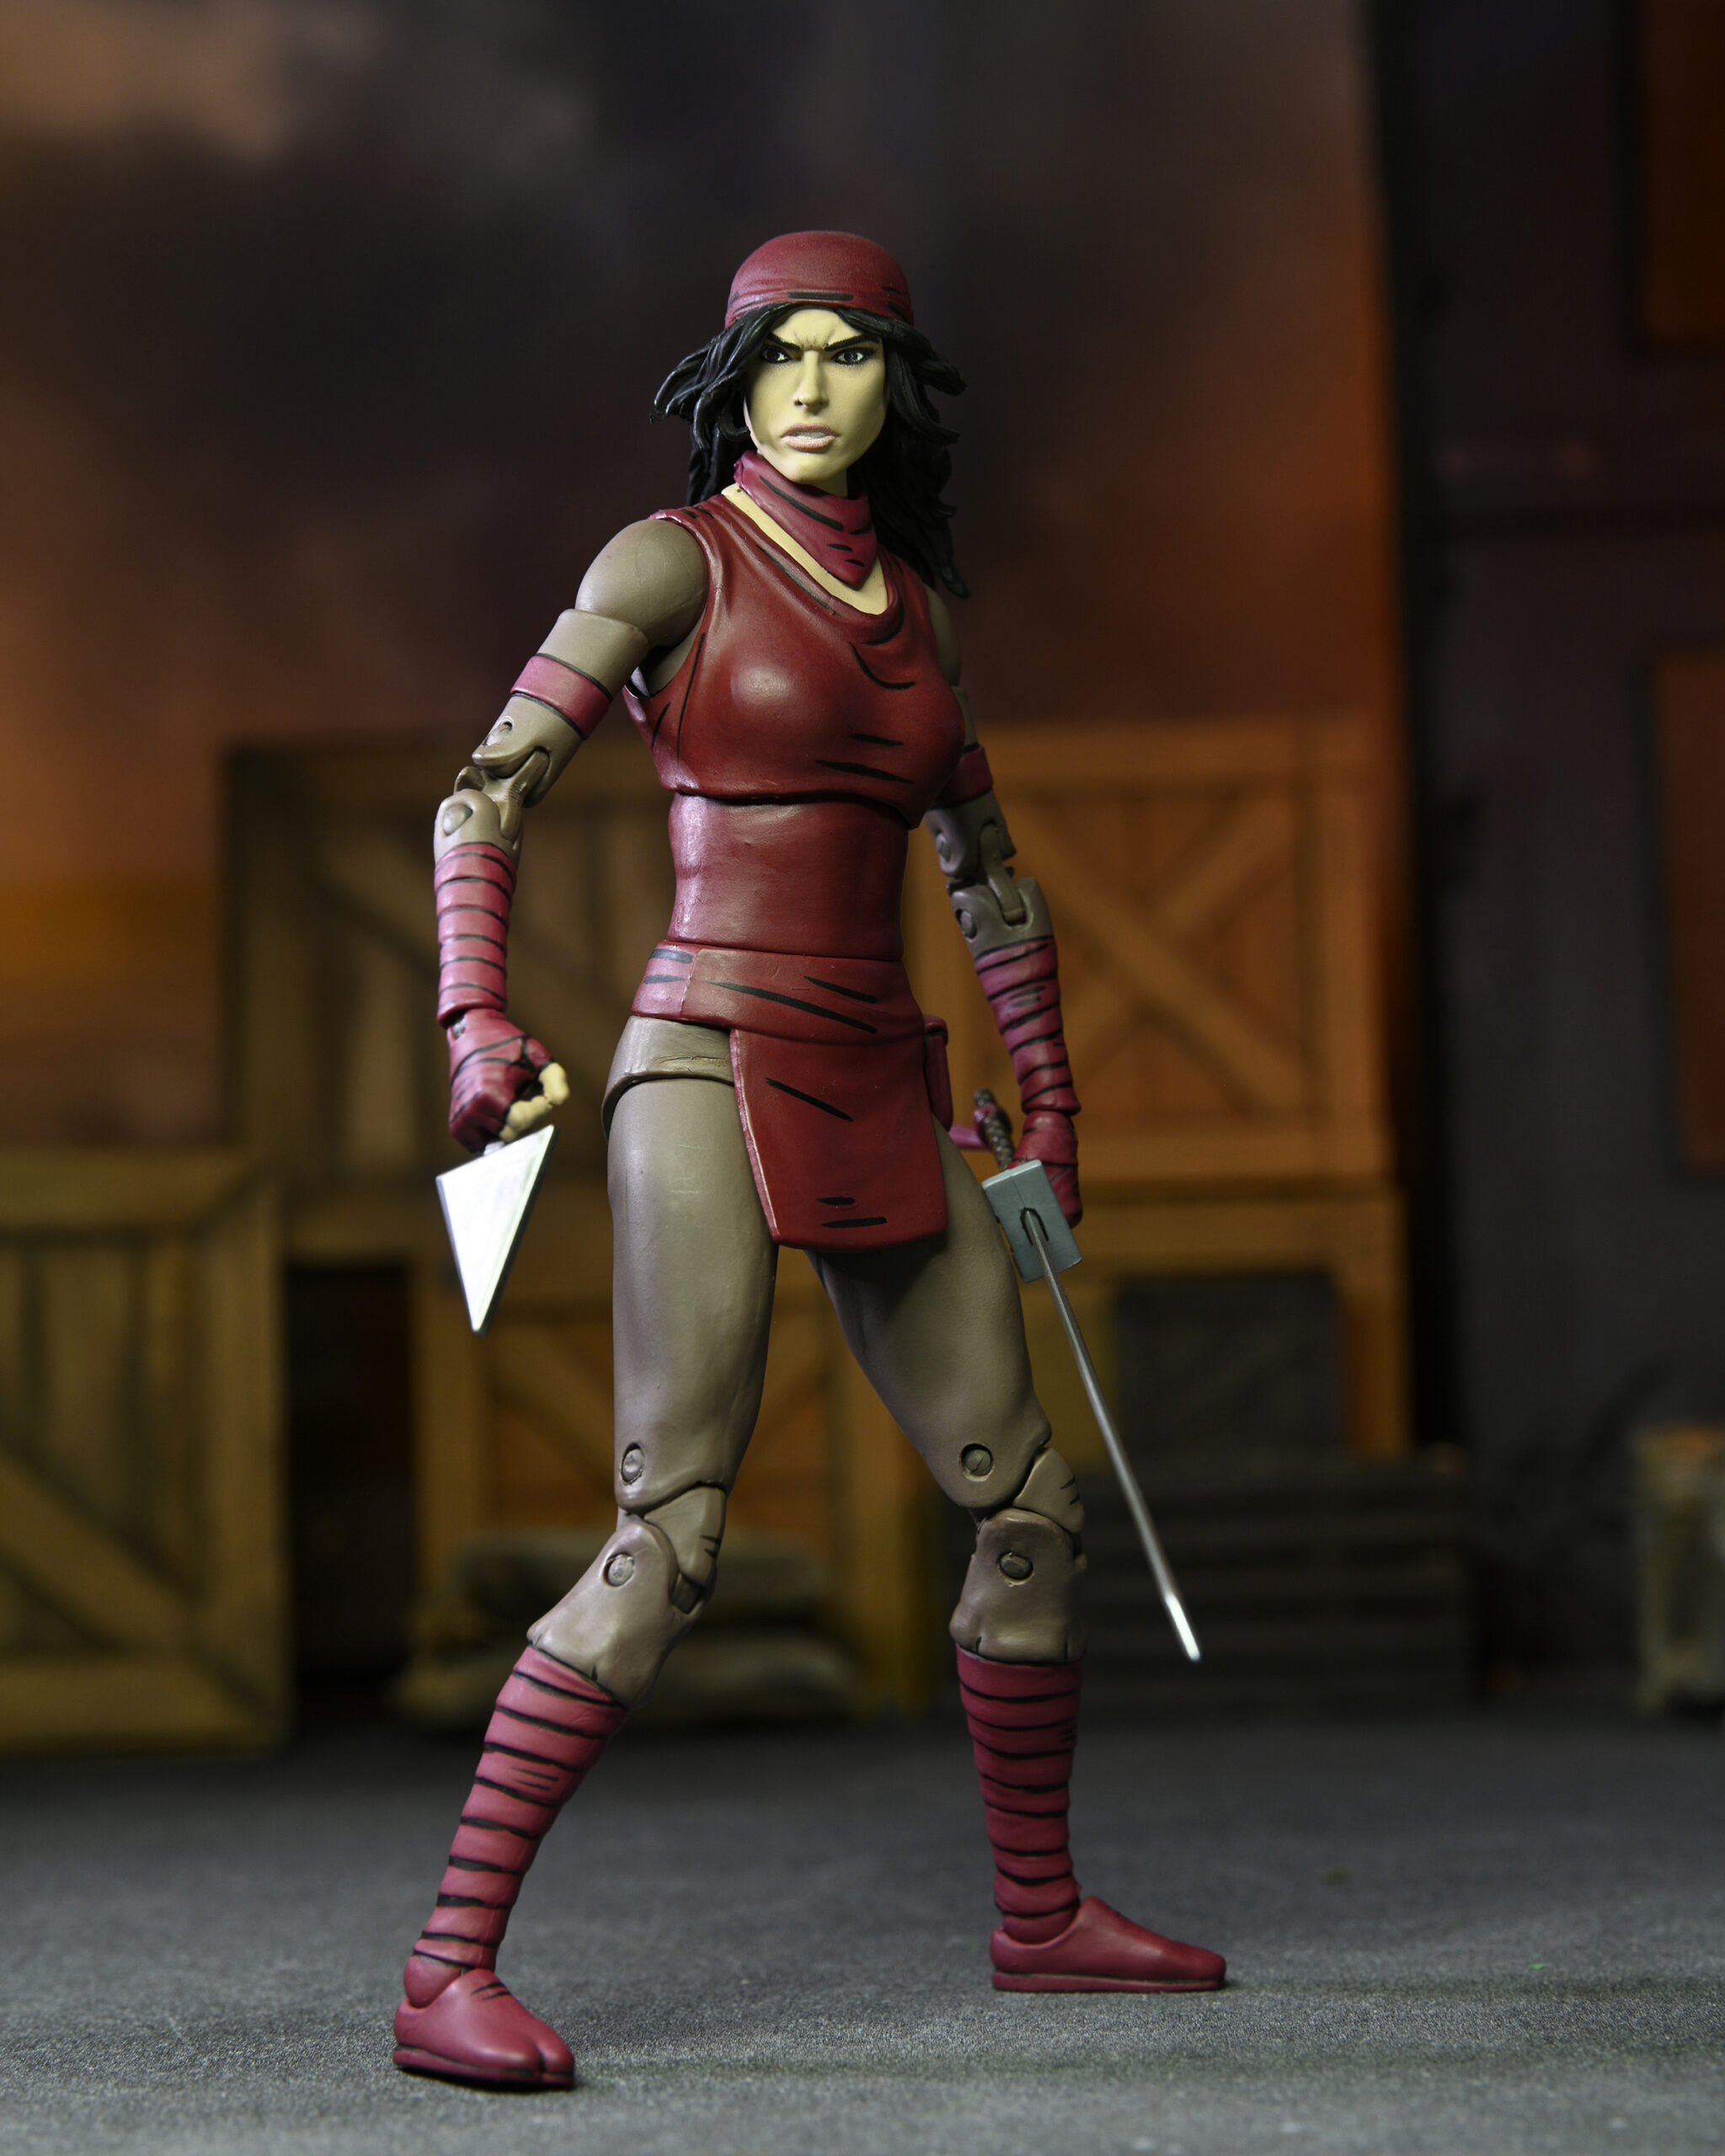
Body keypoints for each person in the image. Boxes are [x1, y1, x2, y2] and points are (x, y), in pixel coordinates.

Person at [393, 232, 1224, 2091]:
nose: (815, 386)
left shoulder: (918, 607)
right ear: (735, 379)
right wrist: (474, 1021)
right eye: (784, 354)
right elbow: (485, 791)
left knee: (1030, 1508)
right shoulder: (668, 562)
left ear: (894, 385)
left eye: (852, 355)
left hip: (876, 1071)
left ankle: (1038, 1916)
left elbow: (986, 876)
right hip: (703, 1055)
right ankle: (446, 1965)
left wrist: (1051, 1101)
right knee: (670, 1537)